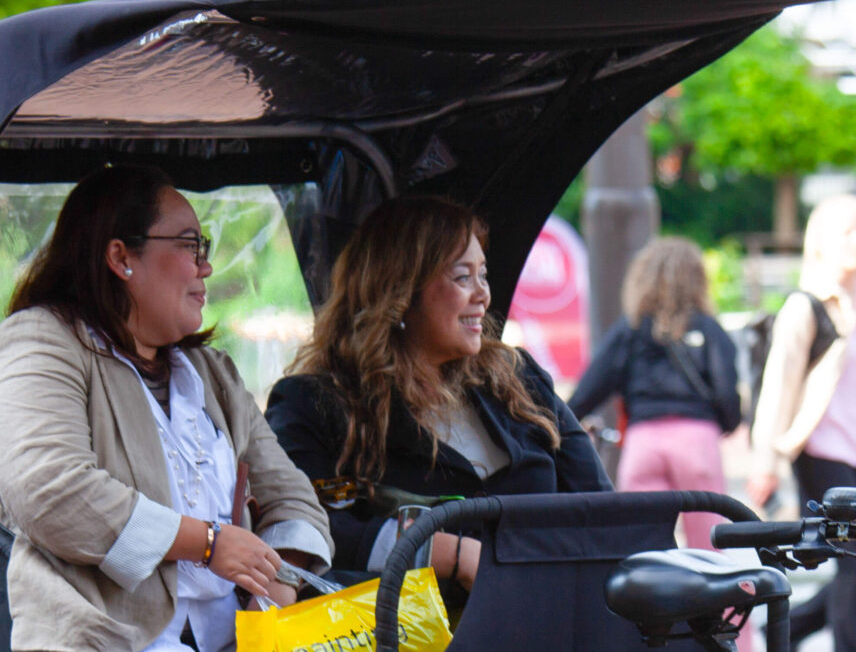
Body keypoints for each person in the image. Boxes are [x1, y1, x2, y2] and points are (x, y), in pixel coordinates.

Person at [0, 164, 332, 652]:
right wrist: (209, 543)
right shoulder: (38, 342)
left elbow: (293, 498)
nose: (206, 266)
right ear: (121, 256)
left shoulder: (211, 372)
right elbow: (52, 493)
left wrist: (274, 589)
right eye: (190, 245)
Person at [266, 196, 612, 591]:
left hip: (548, 614)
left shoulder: (520, 378)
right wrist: (446, 553)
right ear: (399, 289)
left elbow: (600, 508)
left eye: (483, 274)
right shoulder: (315, 403)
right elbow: (302, 527)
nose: (483, 294)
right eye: (463, 277)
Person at [567, 237, 741, 550]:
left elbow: (589, 390)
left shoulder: (629, 330)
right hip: (697, 441)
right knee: (712, 546)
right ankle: (718, 602)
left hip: (643, 442)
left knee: (642, 547)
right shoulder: (709, 329)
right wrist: (728, 422)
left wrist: (564, 423)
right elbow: (727, 391)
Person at [747, 194, 856, 651]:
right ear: (823, 243)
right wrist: (764, 463)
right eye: (847, 232)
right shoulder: (806, 306)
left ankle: (793, 632)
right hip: (822, 452)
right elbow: (778, 389)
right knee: (853, 562)